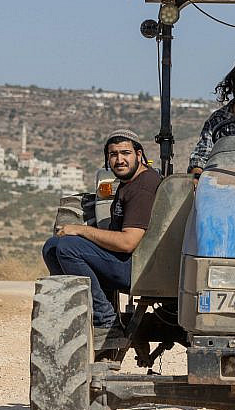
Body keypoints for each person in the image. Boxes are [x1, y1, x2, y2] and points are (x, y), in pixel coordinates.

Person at [42, 128, 161, 338]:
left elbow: (127, 243)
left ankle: (106, 320)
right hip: (126, 261)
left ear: (139, 155)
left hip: (138, 268)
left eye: (125, 153)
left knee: (68, 248)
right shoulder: (129, 184)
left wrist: (81, 230)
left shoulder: (142, 187)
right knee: (52, 246)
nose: (119, 160)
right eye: (113, 154)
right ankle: (76, 310)